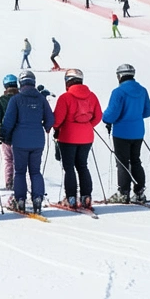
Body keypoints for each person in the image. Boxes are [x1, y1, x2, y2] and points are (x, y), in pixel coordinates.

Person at [0, 70, 53, 213]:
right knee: (35, 171)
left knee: (20, 171)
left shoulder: (16, 99)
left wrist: (4, 135)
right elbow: (50, 118)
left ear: (21, 83)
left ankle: (20, 199)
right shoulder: (41, 99)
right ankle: (37, 199)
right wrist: (47, 127)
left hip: (20, 140)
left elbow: (8, 121)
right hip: (37, 140)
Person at [102, 64, 150, 204]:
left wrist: (105, 118)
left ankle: (124, 193)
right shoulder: (142, 90)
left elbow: (111, 114)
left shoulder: (118, 92)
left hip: (122, 132)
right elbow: (147, 111)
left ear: (120, 76)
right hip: (138, 132)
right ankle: (140, 192)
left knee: (123, 163)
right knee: (136, 160)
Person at [52, 68, 101, 209]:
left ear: (68, 82)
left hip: (68, 137)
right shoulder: (92, 96)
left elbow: (57, 120)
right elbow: (98, 116)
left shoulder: (65, 97)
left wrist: (57, 128)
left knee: (69, 168)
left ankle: (71, 199)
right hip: (86, 137)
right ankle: (86, 197)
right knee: (82, 166)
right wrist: (86, 126)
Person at [0, 74, 19, 186]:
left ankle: (9, 183)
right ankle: (21, 183)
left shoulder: (1, 100)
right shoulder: (21, 99)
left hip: (5, 137)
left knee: (8, 161)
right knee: (20, 161)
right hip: (21, 136)